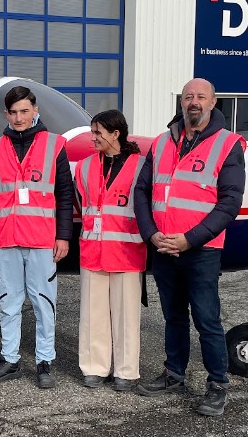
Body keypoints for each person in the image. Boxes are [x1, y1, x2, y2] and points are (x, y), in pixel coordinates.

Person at [133, 78, 245, 417]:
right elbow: (141, 191)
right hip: (163, 246)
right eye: (187, 97)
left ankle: (217, 385)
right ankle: (174, 374)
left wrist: (190, 239)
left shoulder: (228, 145)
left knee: (207, 320)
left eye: (200, 97)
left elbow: (229, 203)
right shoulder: (161, 143)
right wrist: (151, 234)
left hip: (201, 250)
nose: (193, 102)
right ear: (180, 102)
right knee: (174, 317)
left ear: (213, 102)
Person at [0, 86, 73, 388]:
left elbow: (65, 195)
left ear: (35, 111)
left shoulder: (55, 145)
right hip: (4, 241)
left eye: (24, 111)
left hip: (43, 240)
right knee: (8, 302)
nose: (19, 117)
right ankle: (10, 359)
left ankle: (45, 361)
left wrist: (64, 236)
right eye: (13, 112)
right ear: (6, 114)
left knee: (44, 302)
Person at [74, 109, 146, 392]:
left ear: (116, 134)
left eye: (97, 133)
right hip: (93, 249)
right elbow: (83, 202)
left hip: (127, 251)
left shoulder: (141, 166)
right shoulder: (85, 166)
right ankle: (94, 367)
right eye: (92, 132)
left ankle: (126, 372)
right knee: (92, 314)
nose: (93, 138)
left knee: (127, 314)